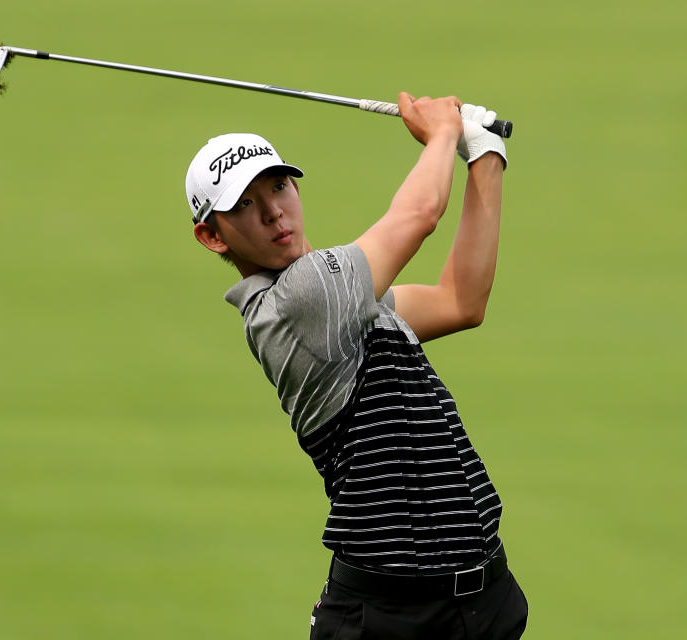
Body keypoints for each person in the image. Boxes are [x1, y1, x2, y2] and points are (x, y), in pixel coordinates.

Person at [185, 92, 527, 639]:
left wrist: (485, 156)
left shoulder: (347, 303)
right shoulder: (302, 299)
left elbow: (461, 301)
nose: (274, 210)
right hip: (392, 619)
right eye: (244, 204)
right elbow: (419, 214)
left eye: (278, 186)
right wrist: (442, 133)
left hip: (481, 603)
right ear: (212, 235)